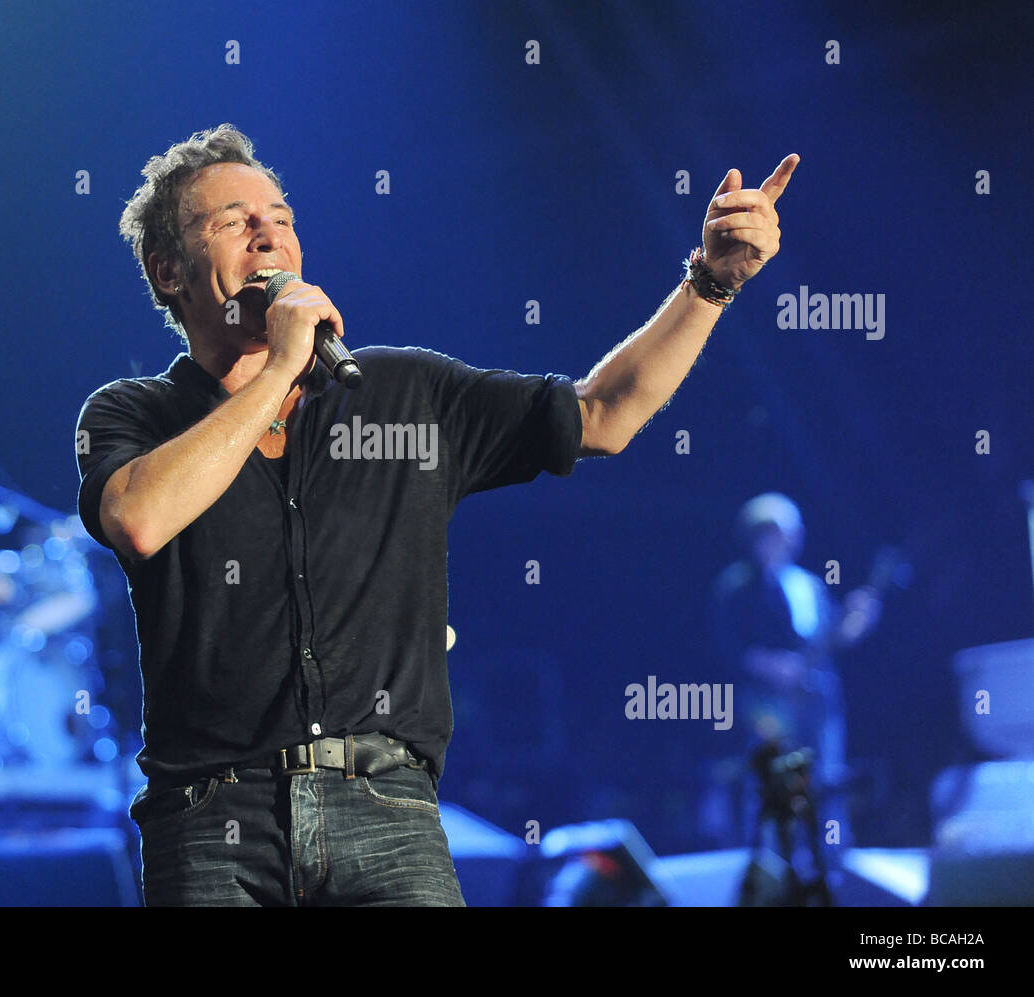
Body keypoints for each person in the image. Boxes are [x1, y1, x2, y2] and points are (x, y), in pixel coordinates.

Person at [75, 123, 798, 906]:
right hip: (212, 825)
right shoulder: (135, 415)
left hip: (386, 810)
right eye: (231, 221)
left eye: (280, 218)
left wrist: (712, 282)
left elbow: (604, 414)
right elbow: (139, 518)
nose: (266, 233)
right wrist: (282, 360)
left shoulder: (402, 395)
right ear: (168, 271)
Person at [708, 492, 880, 847]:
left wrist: (858, 620)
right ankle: (769, 865)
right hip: (767, 700)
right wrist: (770, 665)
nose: (783, 539)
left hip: (818, 696)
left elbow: (834, 637)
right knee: (771, 776)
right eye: (773, 532)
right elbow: (729, 645)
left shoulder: (809, 584)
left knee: (827, 775)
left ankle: (830, 861)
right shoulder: (737, 585)